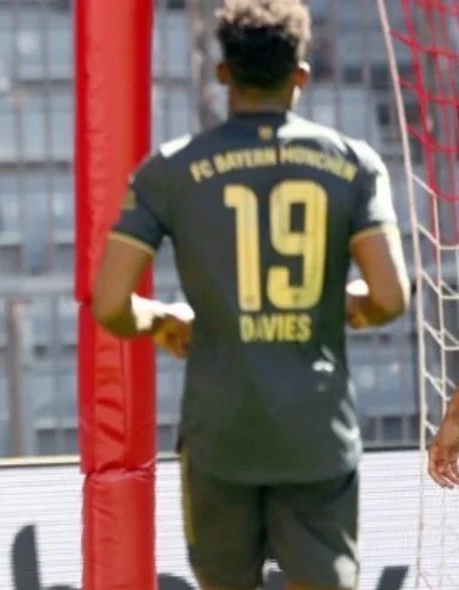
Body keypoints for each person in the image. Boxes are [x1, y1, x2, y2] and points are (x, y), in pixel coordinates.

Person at [90, 1, 409, 589]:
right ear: (302, 75)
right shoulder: (353, 164)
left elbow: (109, 304)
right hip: (314, 432)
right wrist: (332, 305)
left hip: (220, 436)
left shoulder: (169, 169)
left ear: (222, 73)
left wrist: (165, 320)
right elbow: (390, 298)